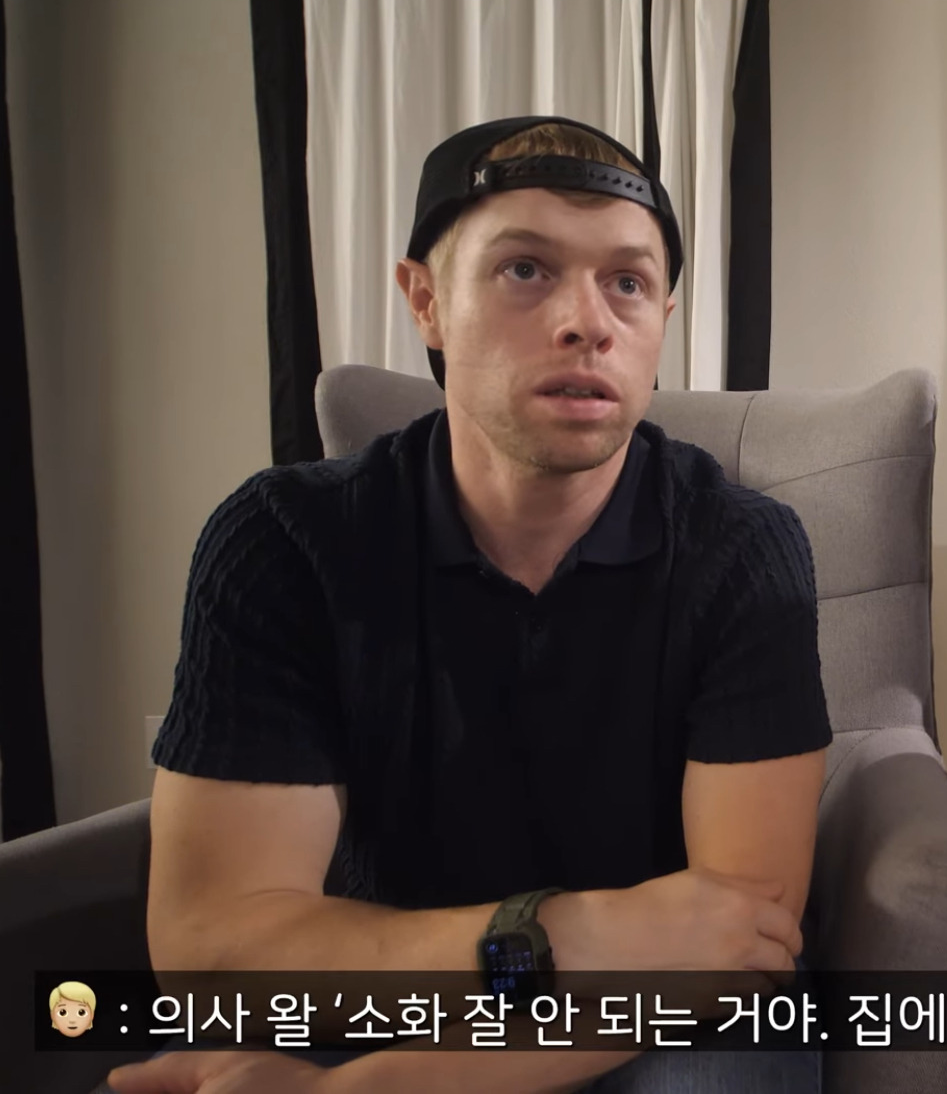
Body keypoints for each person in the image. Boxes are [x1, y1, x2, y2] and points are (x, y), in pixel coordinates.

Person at [105, 116, 831, 1094]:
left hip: (661, 1020)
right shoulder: (283, 543)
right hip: (396, 997)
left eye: (627, 282)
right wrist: (556, 935)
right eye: (525, 269)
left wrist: (367, 1092)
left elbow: (734, 946)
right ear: (426, 300)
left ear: (662, 317)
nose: (587, 321)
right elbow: (214, 950)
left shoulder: (741, 550)